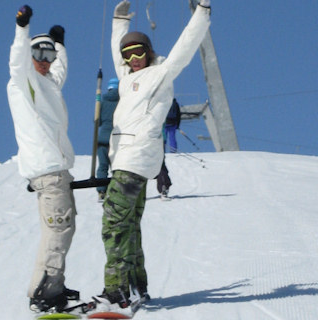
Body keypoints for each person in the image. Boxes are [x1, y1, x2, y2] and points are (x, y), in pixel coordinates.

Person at [91, 0, 212, 312]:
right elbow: (117, 48)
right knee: (129, 226)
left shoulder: (161, 73)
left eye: (139, 52)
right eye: (128, 54)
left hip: (135, 158)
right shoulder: (128, 77)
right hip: (128, 161)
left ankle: (115, 290)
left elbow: (186, 45)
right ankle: (136, 286)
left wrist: (202, 10)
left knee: (114, 224)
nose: (133, 58)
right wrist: (119, 20)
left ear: (148, 51)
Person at [6, 5, 79, 313]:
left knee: (65, 227)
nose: (45, 62)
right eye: (39, 55)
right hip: (48, 171)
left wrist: (58, 44)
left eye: (49, 56)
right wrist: (22, 28)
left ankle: (54, 285)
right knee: (58, 230)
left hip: (57, 170)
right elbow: (17, 61)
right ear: (30, 56)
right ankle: (43, 292)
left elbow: (60, 69)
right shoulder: (23, 82)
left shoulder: (48, 83)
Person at [96, 78, 120, 202]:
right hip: (117, 138)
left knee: (103, 166)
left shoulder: (102, 100)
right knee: (117, 166)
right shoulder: (123, 101)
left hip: (102, 138)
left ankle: (101, 190)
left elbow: (97, 121)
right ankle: (118, 191)